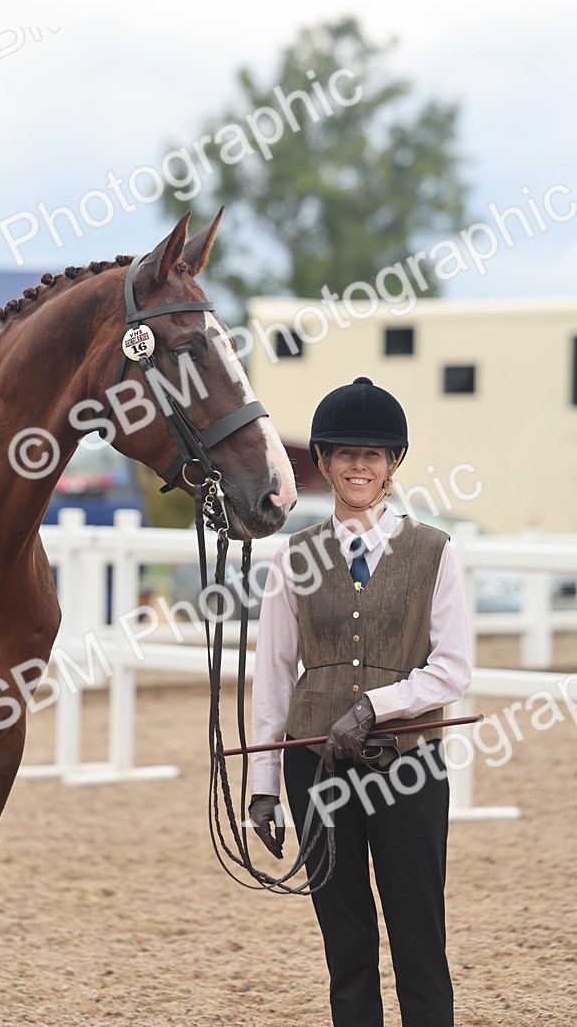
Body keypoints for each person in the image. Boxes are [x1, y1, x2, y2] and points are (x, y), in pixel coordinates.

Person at [248, 376, 472, 1027]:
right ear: (322, 460)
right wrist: (263, 783)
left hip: (408, 766)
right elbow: (274, 673)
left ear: (392, 462)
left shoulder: (434, 552)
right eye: (344, 453)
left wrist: (375, 706)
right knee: (345, 944)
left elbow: (453, 669)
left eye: (372, 454)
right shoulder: (294, 557)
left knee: (418, 936)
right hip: (315, 767)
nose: (358, 467)